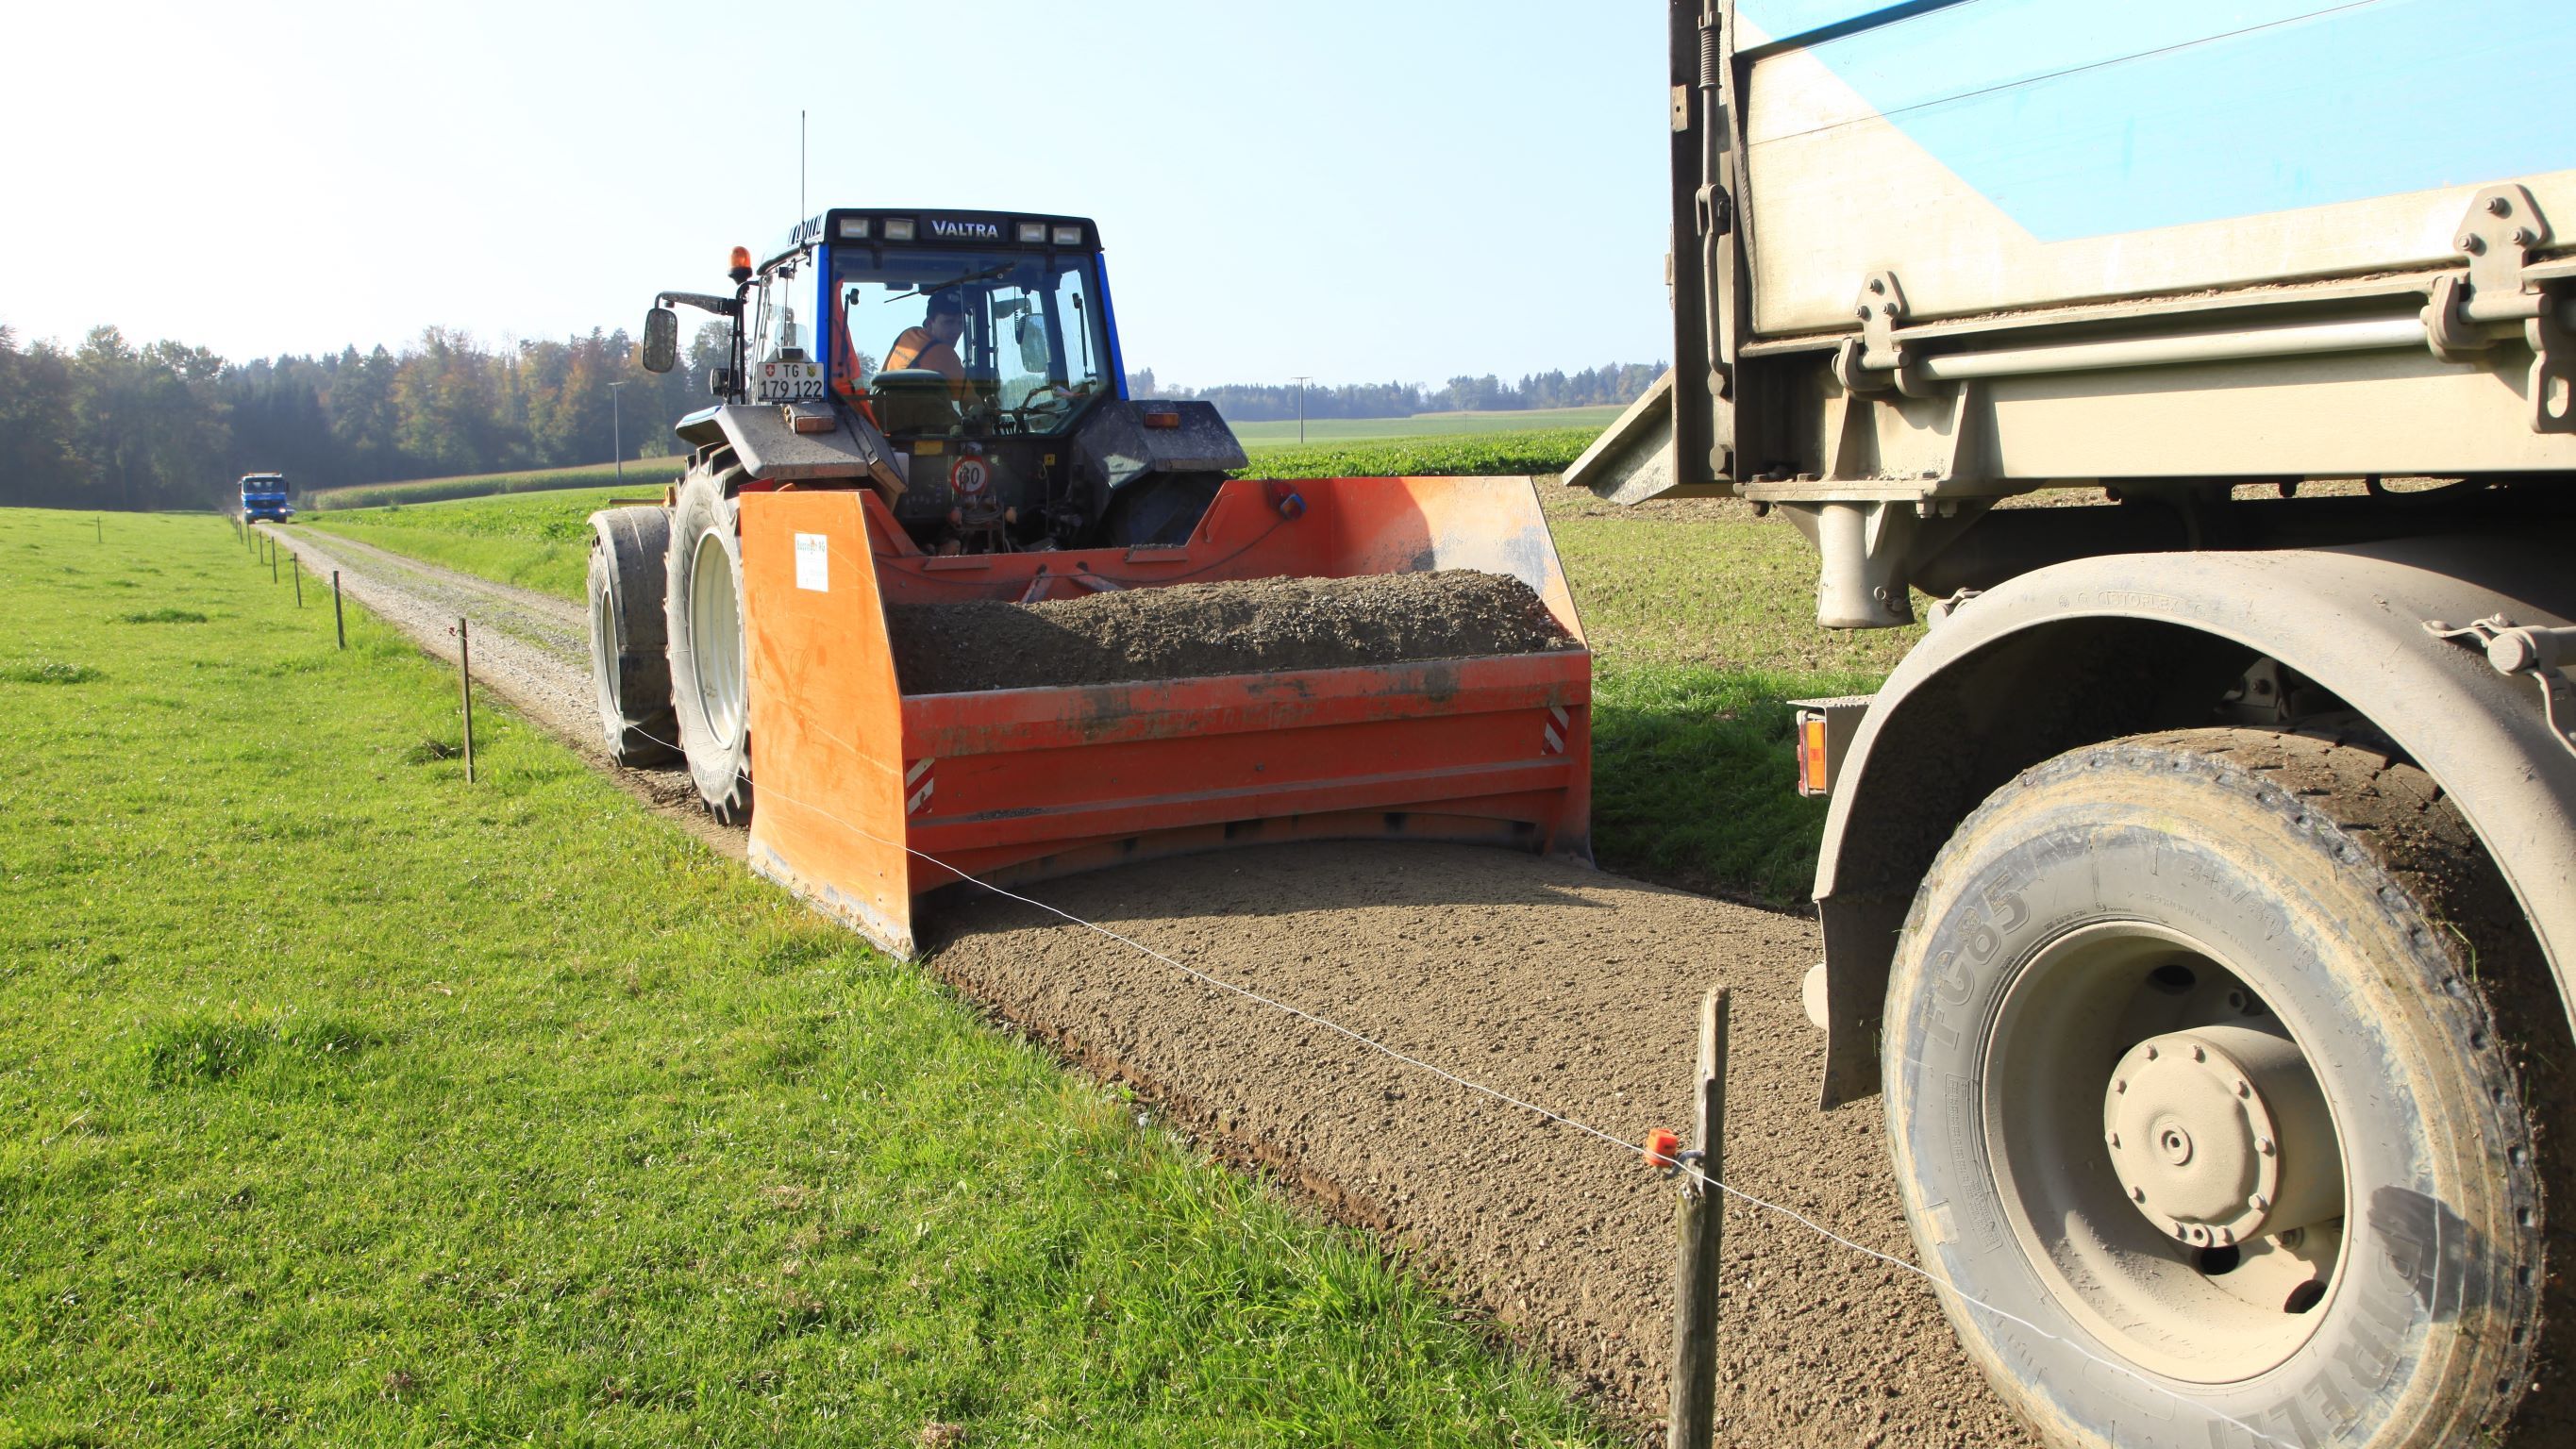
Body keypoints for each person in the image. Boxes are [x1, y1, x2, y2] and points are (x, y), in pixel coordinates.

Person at [884, 291, 968, 389]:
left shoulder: (907, 335)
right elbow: (971, 402)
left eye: (961, 323)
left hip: (889, 402)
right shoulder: (945, 354)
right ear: (929, 323)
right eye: (948, 322)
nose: (956, 330)